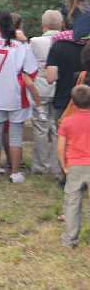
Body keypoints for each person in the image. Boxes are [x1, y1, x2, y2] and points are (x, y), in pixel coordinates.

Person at [0, 10, 39, 183]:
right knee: (15, 134)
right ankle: (15, 172)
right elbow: (31, 71)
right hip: (16, 95)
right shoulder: (21, 45)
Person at [29, 10, 63, 176]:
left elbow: (29, 65)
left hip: (40, 89)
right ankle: (57, 167)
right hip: (60, 88)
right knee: (57, 129)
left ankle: (40, 166)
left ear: (44, 26)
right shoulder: (66, 41)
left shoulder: (35, 41)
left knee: (40, 127)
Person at [59, 84, 90, 248]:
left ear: (73, 102)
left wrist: (64, 166)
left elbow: (60, 147)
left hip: (75, 165)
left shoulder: (67, 122)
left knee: (72, 203)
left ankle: (70, 239)